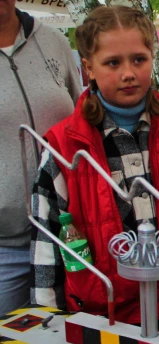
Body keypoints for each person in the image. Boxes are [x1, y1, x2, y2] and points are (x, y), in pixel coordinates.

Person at [30, 6, 159, 326]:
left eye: (139, 59)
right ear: (88, 68)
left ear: (153, 57)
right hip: (100, 314)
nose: (128, 73)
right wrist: (45, 322)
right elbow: (46, 246)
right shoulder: (64, 147)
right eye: (112, 63)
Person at [0, 1, 81, 315]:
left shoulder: (54, 42)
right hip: (6, 244)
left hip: (68, 233)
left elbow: (82, 119)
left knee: (74, 343)